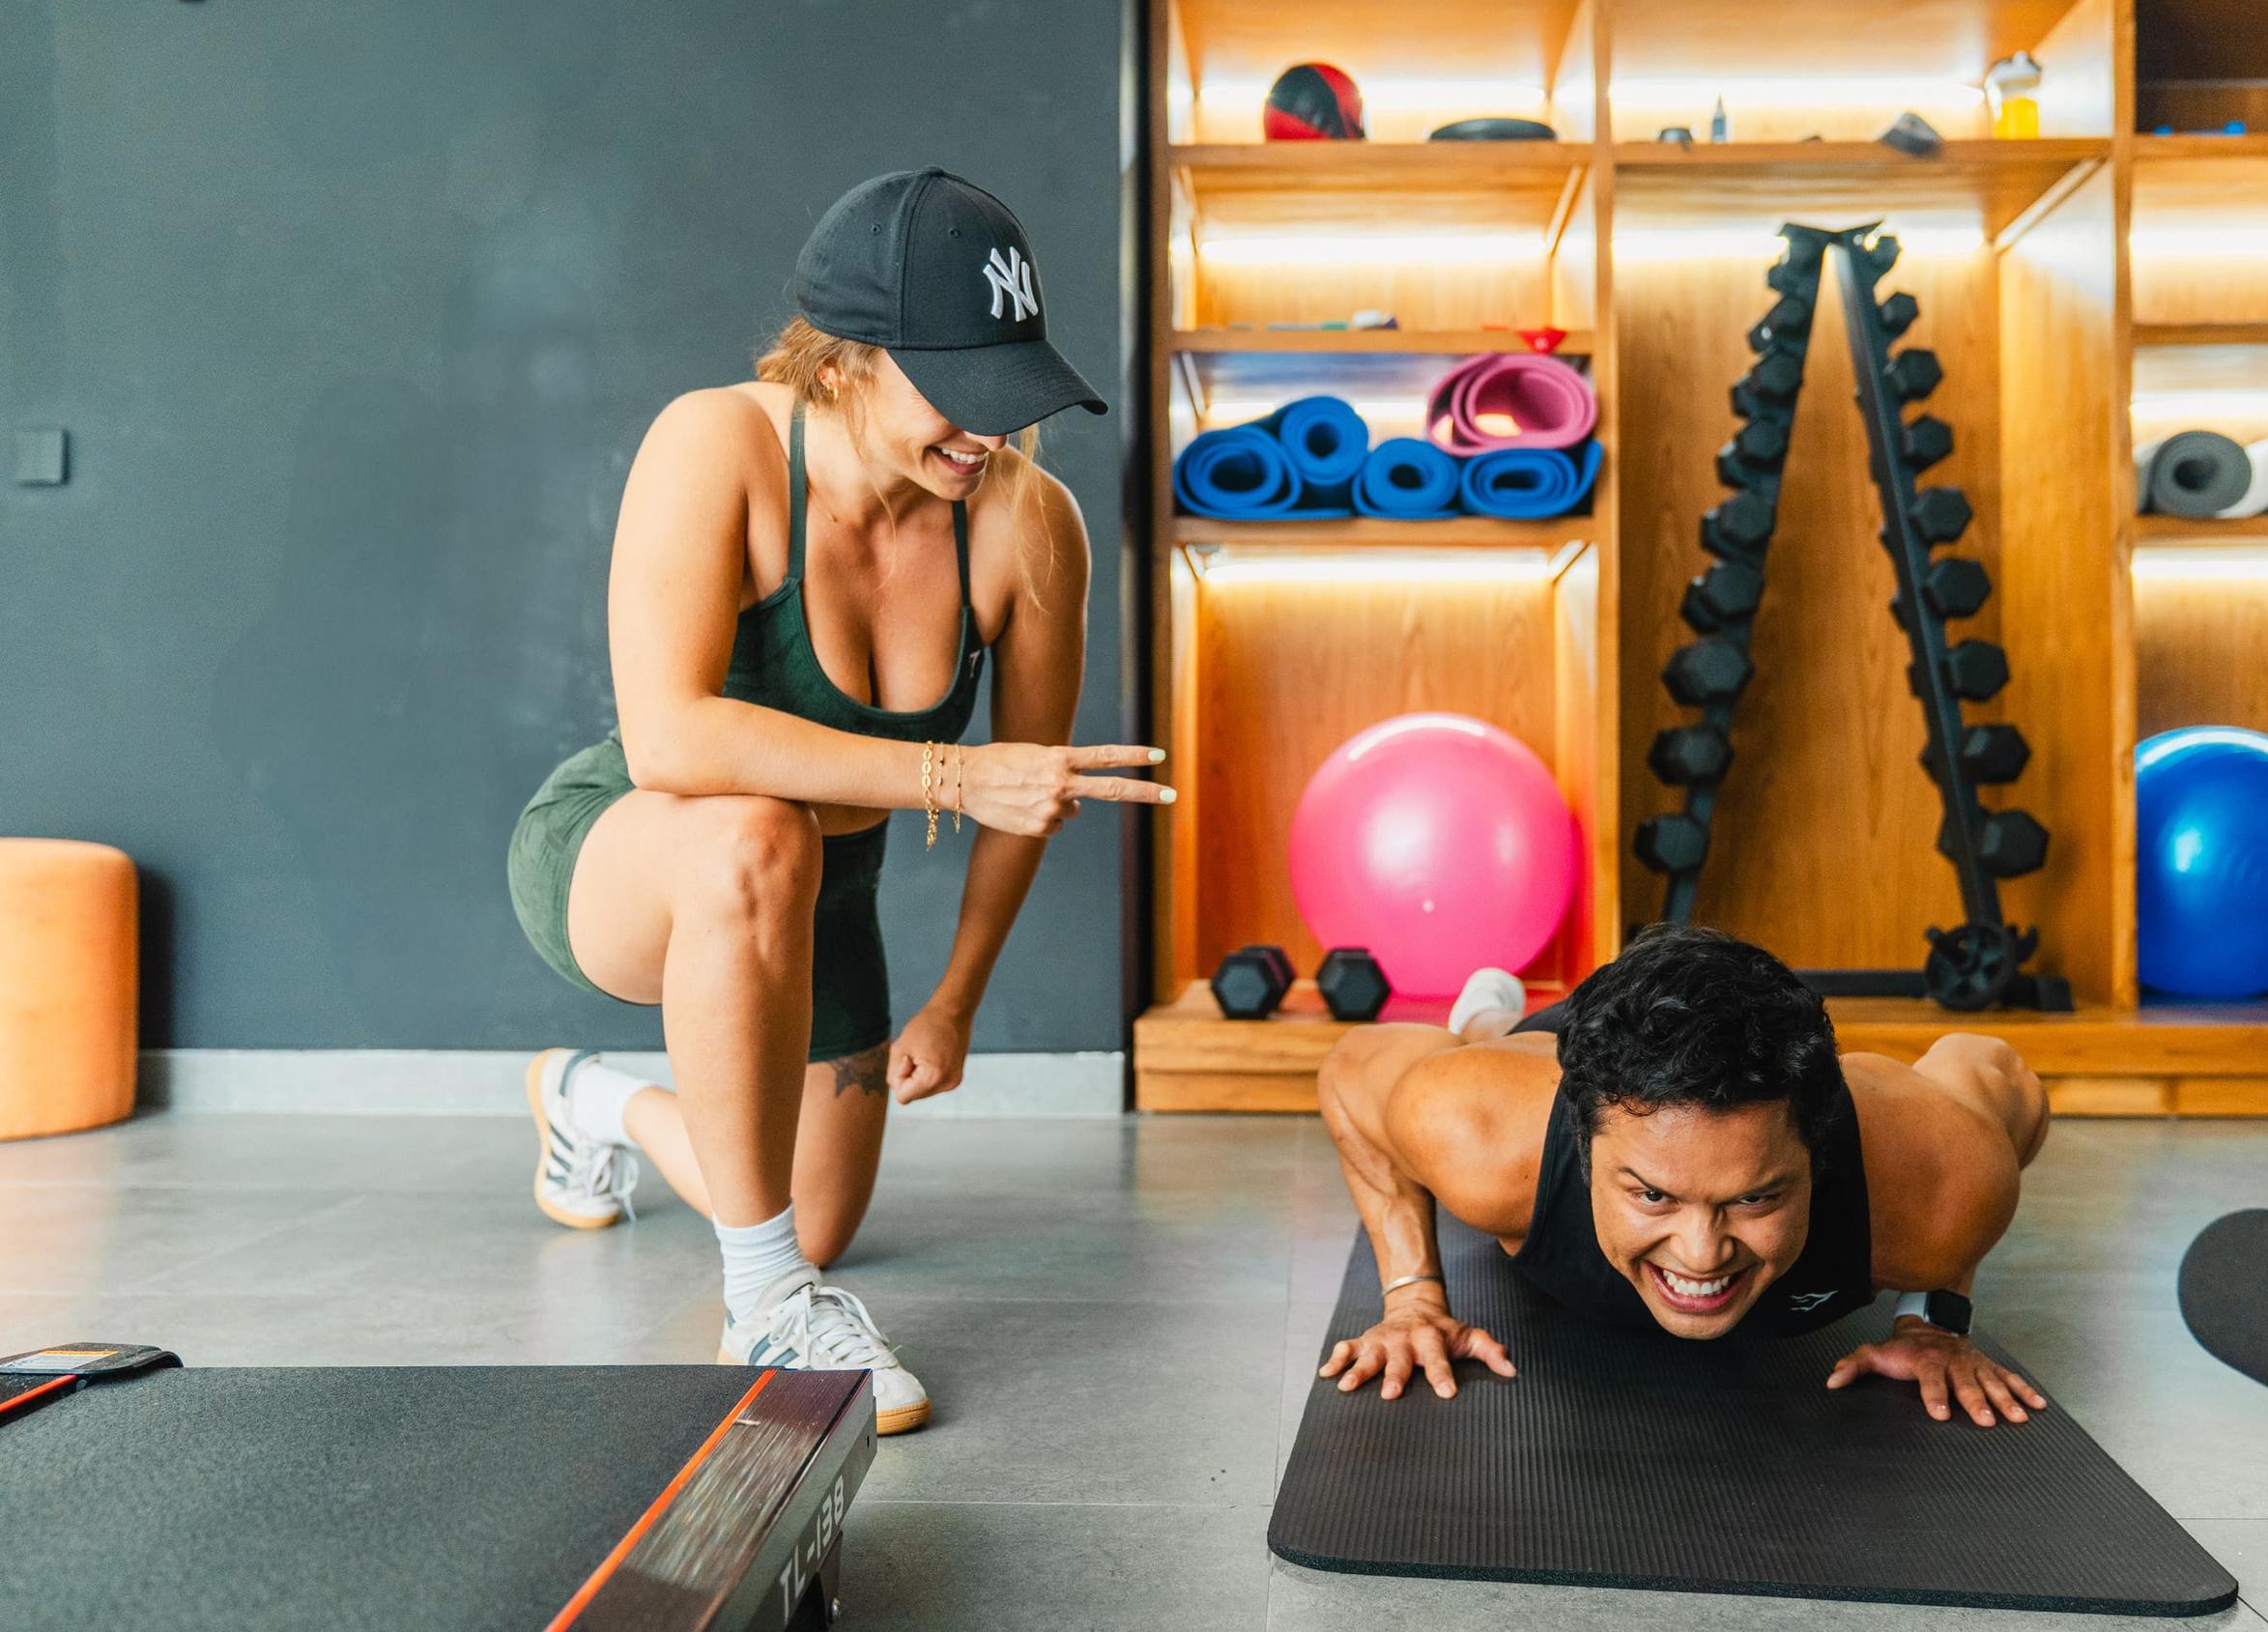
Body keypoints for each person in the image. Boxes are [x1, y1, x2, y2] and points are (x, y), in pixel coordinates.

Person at [505, 167, 1168, 1433]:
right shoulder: (718, 444)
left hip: (824, 888)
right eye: (959, 393)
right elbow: (669, 738)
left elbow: (1026, 791)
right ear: (841, 360)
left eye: (1010, 389)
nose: (991, 430)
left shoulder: (1031, 527)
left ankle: (591, 1100)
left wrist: (957, 997)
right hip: (637, 850)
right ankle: (761, 1301)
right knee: (752, 833)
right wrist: (952, 775)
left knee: (812, 1212)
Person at [1312, 925, 2053, 1429]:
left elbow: (1997, 1071)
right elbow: (1351, 1071)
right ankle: (1486, 1013)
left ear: (1815, 1154)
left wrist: (1932, 1314)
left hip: (1788, 1075)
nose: (1701, 1255)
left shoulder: (1937, 1182)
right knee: (1490, 1043)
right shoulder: (1479, 1131)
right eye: (1652, 1195)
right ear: (1585, 1149)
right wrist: (1412, 1296)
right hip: (1552, 1061)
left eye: (1755, 1197)